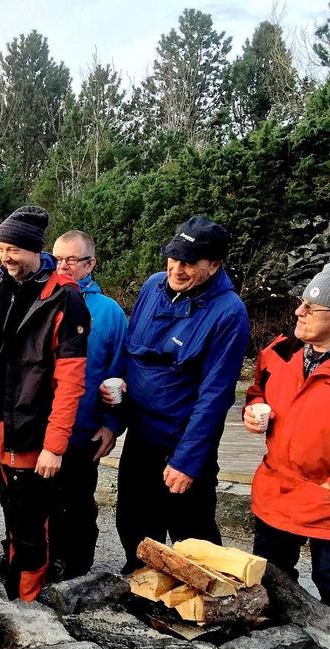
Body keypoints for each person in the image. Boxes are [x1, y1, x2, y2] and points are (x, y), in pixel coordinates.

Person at [0, 206, 89, 602]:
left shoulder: (64, 298)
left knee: (27, 526)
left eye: (12, 249)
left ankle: (25, 609)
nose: (5, 257)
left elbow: (70, 381)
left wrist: (55, 445)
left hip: (28, 430)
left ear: (34, 250)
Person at [108, 216, 249, 572]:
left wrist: (187, 460)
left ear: (214, 264)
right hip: (141, 437)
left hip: (183, 442)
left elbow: (215, 395)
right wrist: (119, 394)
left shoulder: (228, 313)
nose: (177, 268)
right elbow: (130, 351)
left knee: (193, 540)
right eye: (173, 257)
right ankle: (141, 588)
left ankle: (210, 610)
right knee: (134, 522)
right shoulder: (154, 286)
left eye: (189, 262)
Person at [244, 256, 330, 639]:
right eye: (302, 301)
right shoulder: (280, 352)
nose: (298, 312)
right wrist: (252, 410)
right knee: (269, 580)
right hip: (277, 489)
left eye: (311, 308)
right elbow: (257, 391)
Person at [47, 231, 127, 582]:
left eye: (72, 260)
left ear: (90, 264)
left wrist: (112, 424)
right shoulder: (41, 299)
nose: (63, 266)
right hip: (39, 427)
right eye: (57, 259)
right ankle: (32, 562)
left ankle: (78, 571)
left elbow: (121, 371)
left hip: (83, 428)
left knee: (77, 503)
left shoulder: (109, 312)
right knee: (33, 504)